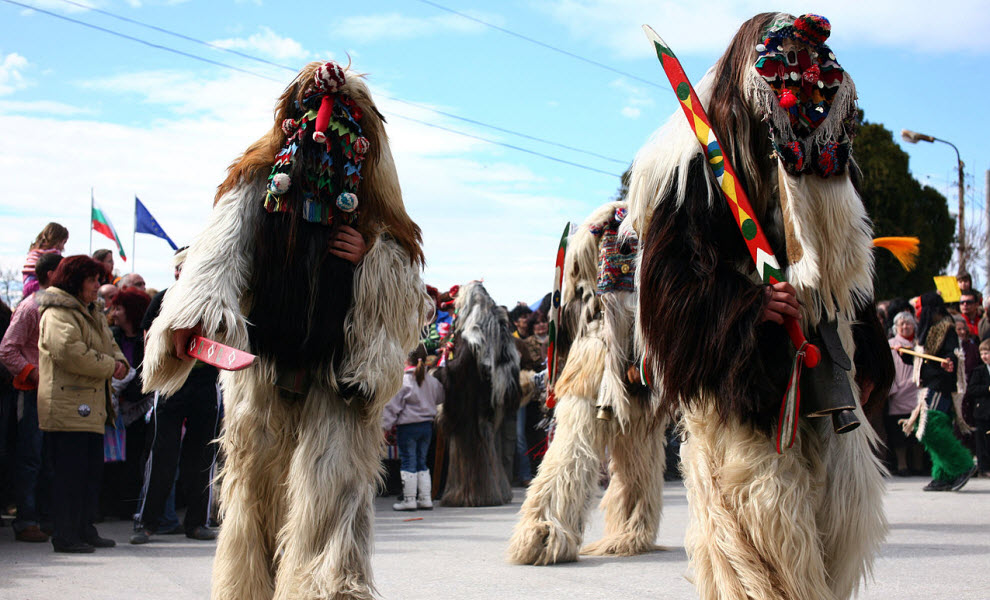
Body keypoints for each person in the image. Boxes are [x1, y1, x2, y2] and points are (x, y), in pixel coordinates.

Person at [626, 13, 893, 599]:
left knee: (834, 536)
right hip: (742, 386)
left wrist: (868, 355)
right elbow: (668, 282)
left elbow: (849, 277)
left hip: (825, 367)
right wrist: (745, 307)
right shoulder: (690, 169)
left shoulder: (823, 164)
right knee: (761, 548)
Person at [140, 60, 426, 599]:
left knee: (334, 495)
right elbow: (220, 248)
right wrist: (194, 315)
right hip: (263, 372)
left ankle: (328, 589)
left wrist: (370, 256)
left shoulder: (375, 206)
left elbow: (405, 281)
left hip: (337, 376)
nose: (324, 130)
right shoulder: (258, 182)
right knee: (256, 494)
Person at [36, 255, 128, 553]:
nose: (97, 286)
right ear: (76, 281)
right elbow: (69, 352)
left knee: (89, 475)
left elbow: (110, 345)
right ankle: (65, 534)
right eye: (92, 280)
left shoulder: (92, 311)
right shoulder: (57, 312)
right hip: (66, 407)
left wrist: (122, 363)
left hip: (90, 408)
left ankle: (84, 528)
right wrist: (109, 366)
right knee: (69, 476)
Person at [130, 250, 219, 545]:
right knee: (161, 455)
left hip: (206, 384)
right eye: (182, 267)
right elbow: (147, 342)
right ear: (176, 271)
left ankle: (197, 522)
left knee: (202, 457)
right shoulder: (162, 299)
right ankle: (146, 523)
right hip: (170, 384)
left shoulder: (215, 298)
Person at [0, 252, 61, 542]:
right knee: (31, 458)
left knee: (49, 458)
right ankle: (26, 520)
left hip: (56, 396)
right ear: (49, 274)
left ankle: (46, 517)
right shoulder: (30, 306)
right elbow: (7, 349)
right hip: (32, 393)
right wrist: (35, 374)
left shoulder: (64, 306)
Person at [912, 292, 976, 492]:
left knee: (931, 427)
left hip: (940, 387)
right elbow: (924, 360)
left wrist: (948, 363)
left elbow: (950, 357)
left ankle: (962, 465)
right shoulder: (931, 330)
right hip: (931, 385)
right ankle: (943, 475)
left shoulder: (946, 329)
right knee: (933, 428)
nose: (917, 313)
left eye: (919, 308)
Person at [100, 288, 152, 521]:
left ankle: (126, 505)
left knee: (132, 460)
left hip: (137, 410)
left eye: (119, 307)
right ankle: (108, 505)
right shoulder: (111, 335)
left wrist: (129, 391)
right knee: (110, 461)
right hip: (112, 407)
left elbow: (148, 375)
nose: (114, 312)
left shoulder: (147, 339)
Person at [382, 345, 443, 511]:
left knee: (408, 460)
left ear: (406, 358)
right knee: (422, 461)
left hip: (407, 427)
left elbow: (392, 406)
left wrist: (385, 426)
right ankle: (425, 498)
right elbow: (440, 396)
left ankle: (409, 499)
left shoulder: (403, 380)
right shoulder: (431, 380)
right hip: (427, 426)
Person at [886, 312, 924, 476]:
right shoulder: (891, 344)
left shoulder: (919, 344)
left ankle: (918, 464)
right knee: (899, 434)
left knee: (918, 431)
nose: (905, 327)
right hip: (899, 392)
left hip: (917, 391)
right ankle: (902, 465)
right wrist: (892, 389)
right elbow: (887, 370)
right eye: (901, 324)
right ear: (896, 327)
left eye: (908, 323)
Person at [963, 338, 990, 478]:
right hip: (983, 411)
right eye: (983, 353)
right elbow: (972, 389)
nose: (985, 356)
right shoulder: (979, 371)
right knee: (983, 441)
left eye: (987, 353)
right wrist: (988, 388)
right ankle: (984, 468)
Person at [22, 223, 68, 298]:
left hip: (28, 284)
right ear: (57, 240)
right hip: (41, 287)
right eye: (63, 242)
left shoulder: (34, 251)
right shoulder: (54, 253)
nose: (63, 247)